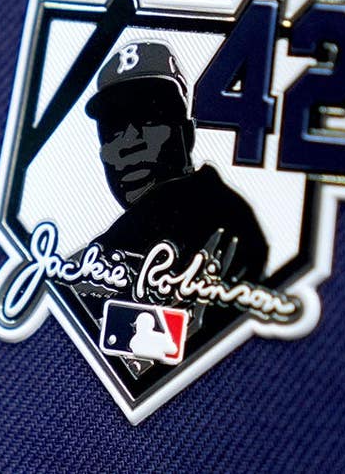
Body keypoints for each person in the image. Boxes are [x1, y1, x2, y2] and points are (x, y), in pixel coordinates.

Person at [72, 41, 269, 330]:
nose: (128, 144)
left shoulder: (217, 212)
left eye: (148, 119)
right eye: (113, 130)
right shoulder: (129, 236)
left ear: (186, 135)